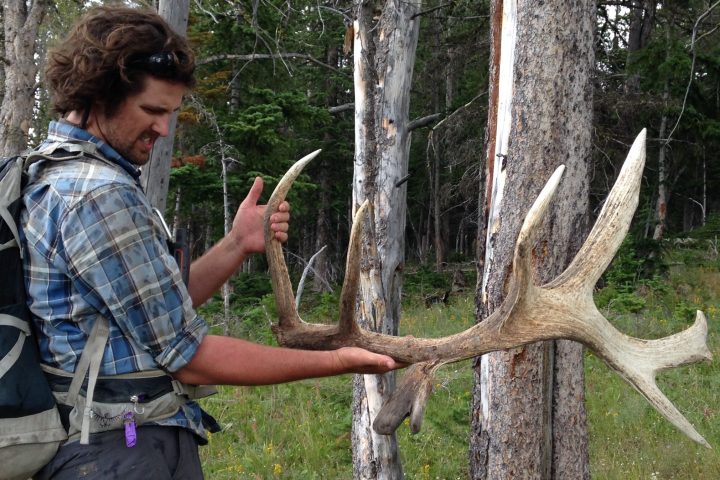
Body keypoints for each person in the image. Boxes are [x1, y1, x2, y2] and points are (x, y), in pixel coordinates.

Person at [21, 6, 401, 479]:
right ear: (101, 94)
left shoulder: (48, 172)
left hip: (101, 448)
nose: (163, 129)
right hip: (123, 452)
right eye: (153, 111)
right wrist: (336, 360)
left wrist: (237, 244)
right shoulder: (99, 195)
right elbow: (188, 357)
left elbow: (152, 316)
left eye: (171, 113)